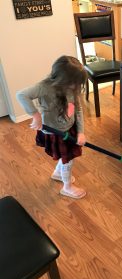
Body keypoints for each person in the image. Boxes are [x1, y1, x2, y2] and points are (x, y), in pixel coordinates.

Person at [16, 55, 88, 199]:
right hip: (54, 131)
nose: (76, 87)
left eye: (78, 84)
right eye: (73, 83)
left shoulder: (73, 88)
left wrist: (80, 132)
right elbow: (21, 94)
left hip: (69, 127)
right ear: (61, 79)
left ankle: (57, 174)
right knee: (68, 159)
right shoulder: (44, 88)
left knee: (66, 156)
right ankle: (67, 187)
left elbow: (76, 109)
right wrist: (35, 115)